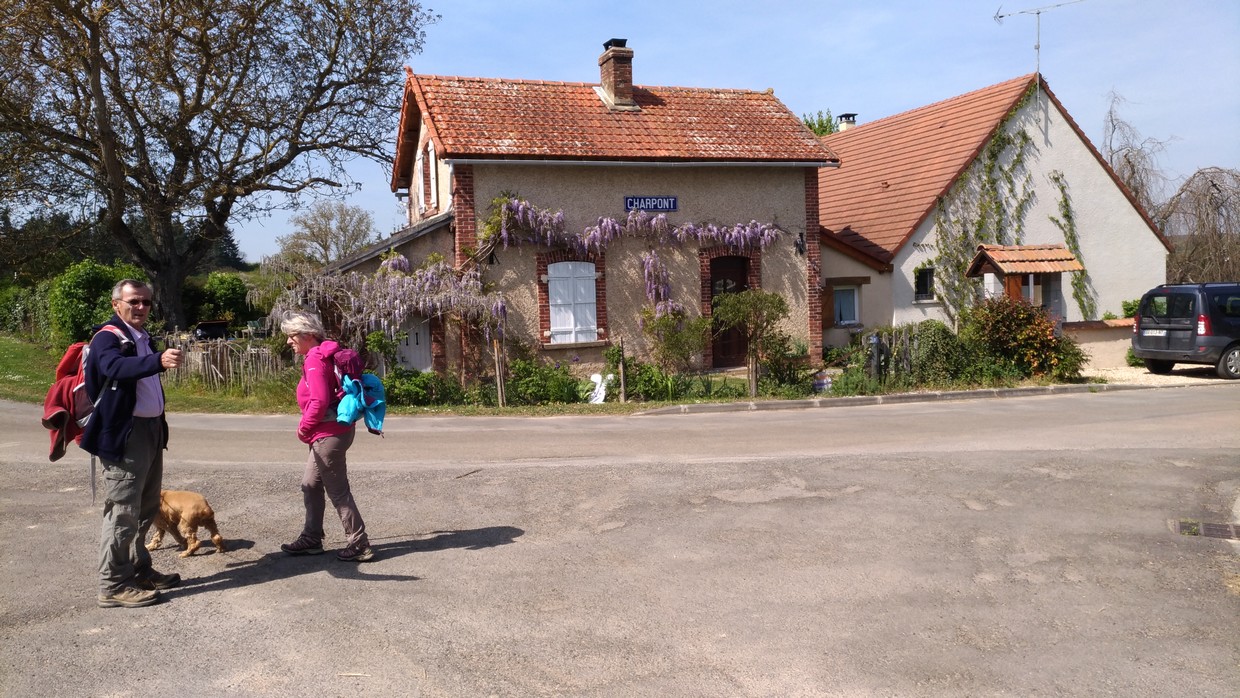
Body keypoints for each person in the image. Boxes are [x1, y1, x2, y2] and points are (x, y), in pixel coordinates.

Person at [81, 279, 184, 608]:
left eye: (146, 303)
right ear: (116, 305)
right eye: (134, 302)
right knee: (123, 511)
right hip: (125, 436)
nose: (141, 308)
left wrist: (156, 361)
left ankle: (139, 569)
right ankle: (112, 584)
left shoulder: (140, 337)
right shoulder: (107, 338)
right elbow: (113, 367)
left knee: (146, 507)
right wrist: (157, 361)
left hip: (150, 431)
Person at [279, 311, 375, 562]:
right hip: (334, 430)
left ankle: (359, 544)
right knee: (310, 485)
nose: (289, 342)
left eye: (291, 336)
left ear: (308, 336)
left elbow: (319, 400)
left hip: (327, 433)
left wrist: (304, 428)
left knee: (338, 491)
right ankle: (311, 537)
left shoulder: (314, 359)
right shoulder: (325, 352)